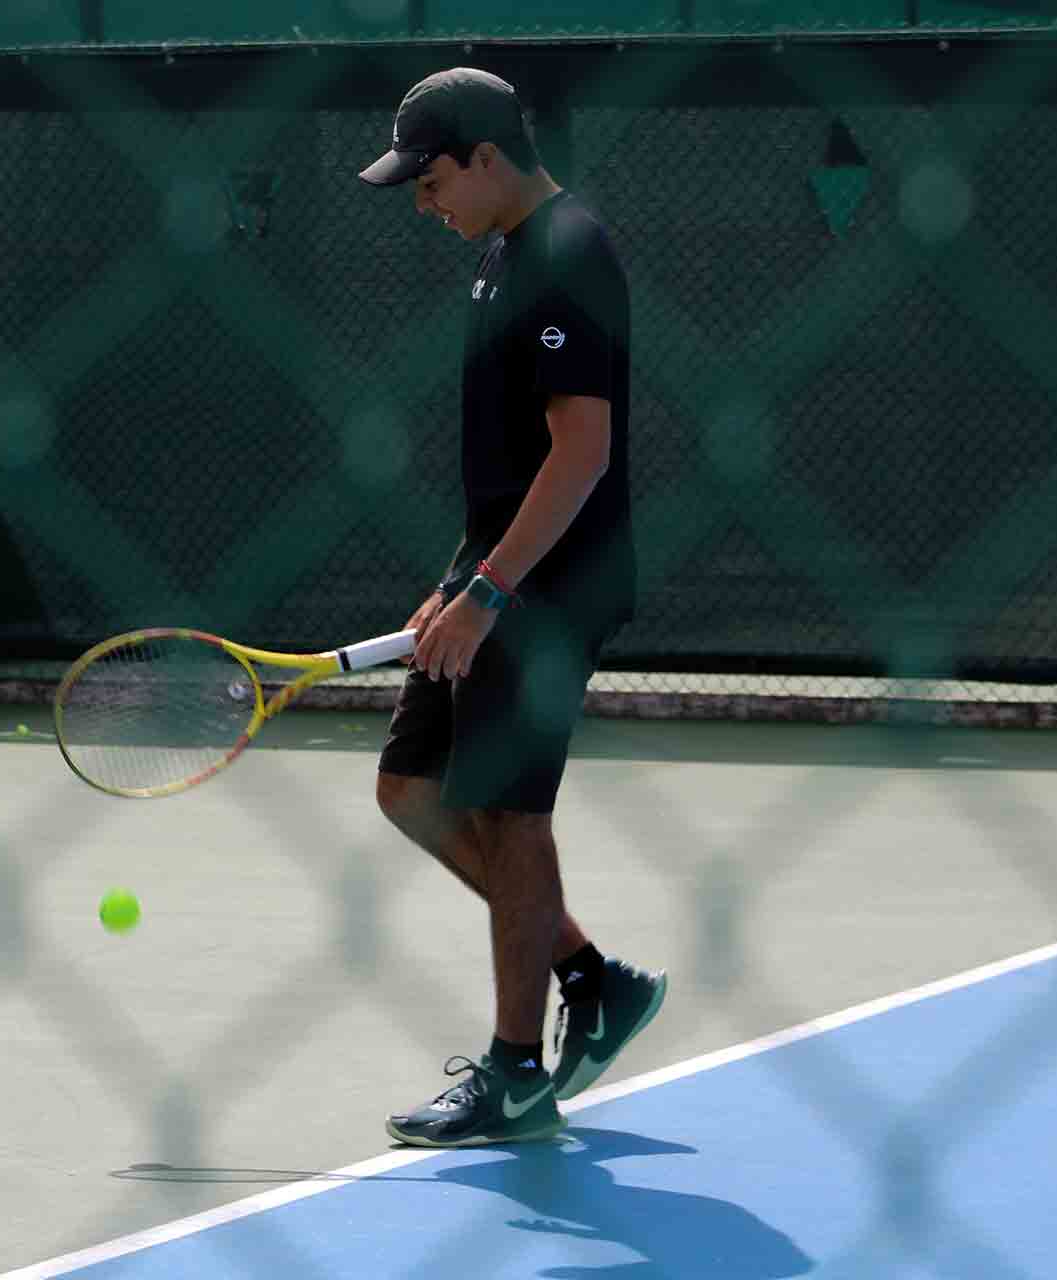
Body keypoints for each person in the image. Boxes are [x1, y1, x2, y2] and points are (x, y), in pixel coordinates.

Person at [357, 67, 667, 1147]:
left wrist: (491, 591)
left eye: (430, 177)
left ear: (487, 157)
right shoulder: (500, 251)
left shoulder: (571, 251)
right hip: (496, 565)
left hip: (552, 580)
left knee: (508, 809)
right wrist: (460, 574)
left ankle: (515, 1071)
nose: (420, 199)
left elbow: (581, 451)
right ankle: (591, 975)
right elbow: (513, 458)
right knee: (410, 786)